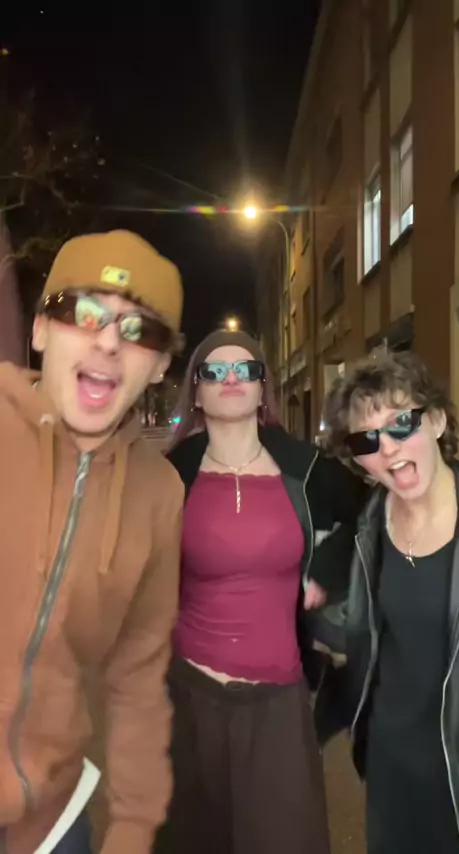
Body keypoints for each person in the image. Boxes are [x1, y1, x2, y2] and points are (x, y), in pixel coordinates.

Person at [0, 229, 184, 854]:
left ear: (159, 366)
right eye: (82, 312)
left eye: (139, 329)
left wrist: (133, 827)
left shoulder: (159, 492)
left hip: (50, 820)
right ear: (40, 330)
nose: (108, 341)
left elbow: (138, 675)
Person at [155, 327, 367, 854]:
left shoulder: (305, 468)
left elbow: (370, 514)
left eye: (244, 369)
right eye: (214, 371)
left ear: (261, 386)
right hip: (189, 699)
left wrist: (328, 568)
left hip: (278, 699)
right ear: (197, 391)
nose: (231, 380)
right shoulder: (171, 474)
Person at [317, 348, 459, 854]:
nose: (387, 448)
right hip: (390, 770)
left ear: (436, 421)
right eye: (367, 439)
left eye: (401, 424)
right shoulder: (368, 528)